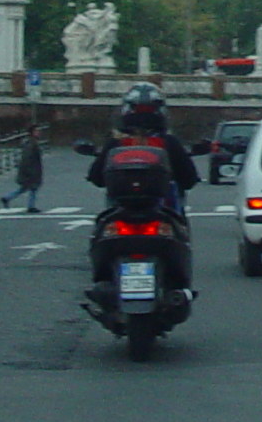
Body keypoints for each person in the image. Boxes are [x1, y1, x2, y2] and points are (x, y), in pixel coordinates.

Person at [86, 84, 202, 284]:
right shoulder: (169, 143)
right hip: (163, 214)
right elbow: (189, 178)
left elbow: (96, 177)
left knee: (100, 237)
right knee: (180, 244)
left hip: (120, 211)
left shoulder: (117, 144)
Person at [1, 136, 44, 213]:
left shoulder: (29, 144)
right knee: (33, 188)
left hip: (29, 170)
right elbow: (31, 159)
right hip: (31, 170)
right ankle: (31, 206)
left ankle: (7, 198)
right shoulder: (32, 145)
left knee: (25, 188)